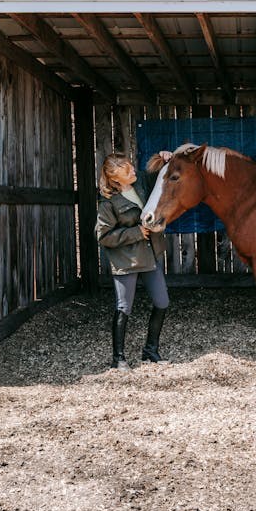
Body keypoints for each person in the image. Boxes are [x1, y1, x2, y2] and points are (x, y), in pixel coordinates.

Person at [95, 151, 172, 371]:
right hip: (127, 260)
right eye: (127, 170)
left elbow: (158, 175)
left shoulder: (140, 184)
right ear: (115, 179)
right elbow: (103, 236)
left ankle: (150, 351)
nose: (132, 170)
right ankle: (118, 359)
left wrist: (163, 156)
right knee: (124, 307)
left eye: (130, 165)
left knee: (162, 302)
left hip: (150, 255)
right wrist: (136, 233)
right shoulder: (108, 203)